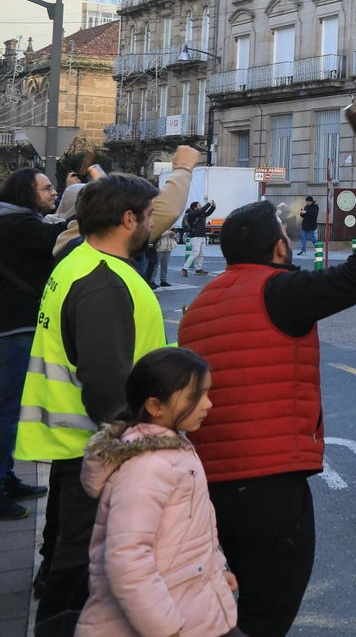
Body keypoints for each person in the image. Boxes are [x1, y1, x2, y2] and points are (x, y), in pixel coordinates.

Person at [178, 156, 356, 637]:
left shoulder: (198, 306)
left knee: (227, 610)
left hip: (211, 487)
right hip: (268, 489)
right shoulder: (278, 291)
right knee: (267, 616)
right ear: (279, 249)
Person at [17, 174, 171, 637]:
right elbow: (107, 387)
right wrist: (146, 443)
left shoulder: (78, 259)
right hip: (95, 447)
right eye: (146, 216)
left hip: (74, 444)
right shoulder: (103, 283)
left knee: (73, 554)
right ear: (128, 219)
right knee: (83, 566)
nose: (151, 224)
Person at [75, 347, 242, 637]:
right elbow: (127, 560)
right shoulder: (148, 467)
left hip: (191, 608)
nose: (208, 405)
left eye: (207, 393)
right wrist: (165, 629)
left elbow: (192, 531)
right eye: (195, 397)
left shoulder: (173, 450)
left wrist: (215, 570)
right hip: (162, 623)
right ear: (155, 406)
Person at [0, 168, 67, 519]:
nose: (53, 192)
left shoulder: (13, 221)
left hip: (11, 327)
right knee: (7, 412)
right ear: (26, 194)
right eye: (46, 189)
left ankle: (6, 477)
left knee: (8, 411)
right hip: (14, 330)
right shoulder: (19, 226)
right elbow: (61, 234)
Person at [181, 199, 215, 276]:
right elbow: (201, 211)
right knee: (195, 253)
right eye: (199, 205)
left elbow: (207, 213)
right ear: (195, 208)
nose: (201, 206)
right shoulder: (191, 214)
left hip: (202, 235)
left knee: (201, 254)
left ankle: (199, 269)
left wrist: (213, 207)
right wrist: (208, 204)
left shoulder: (200, 214)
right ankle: (184, 268)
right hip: (195, 236)